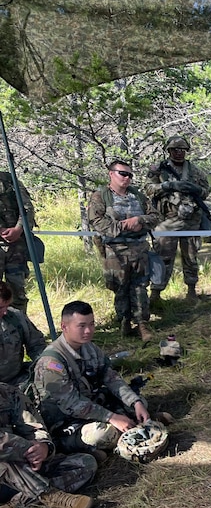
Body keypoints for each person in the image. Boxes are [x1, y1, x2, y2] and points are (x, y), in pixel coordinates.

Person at [29, 301, 152, 458]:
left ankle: (129, 428)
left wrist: (135, 402)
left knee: (140, 405)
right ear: (64, 327)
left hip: (91, 406)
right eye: (81, 326)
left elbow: (111, 378)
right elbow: (71, 404)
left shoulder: (89, 348)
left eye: (92, 324)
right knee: (103, 434)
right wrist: (111, 417)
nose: (88, 330)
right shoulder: (51, 363)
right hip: (64, 421)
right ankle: (68, 445)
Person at [0, 381, 97, 508]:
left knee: (85, 463)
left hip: (21, 474)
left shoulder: (8, 393)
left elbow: (33, 426)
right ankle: (50, 495)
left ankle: (12, 507)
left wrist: (43, 447)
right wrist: (27, 448)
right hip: (8, 468)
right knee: (5, 455)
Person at [88, 160, 160, 342]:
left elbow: (155, 216)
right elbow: (96, 221)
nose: (127, 178)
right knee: (119, 287)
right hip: (115, 249)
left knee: (140, 287)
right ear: (111, 174)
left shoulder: (138, 196)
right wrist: (122, 226)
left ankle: (142, 323)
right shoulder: (100, 196)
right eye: (123, 174)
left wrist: (140, 220)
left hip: (139, 248)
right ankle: (124, 322)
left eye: (130, 175)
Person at [145, 135, 211, 305]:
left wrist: (195, 189)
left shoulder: (195, 171)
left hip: (191, 221)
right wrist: (167, 186)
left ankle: (191, 291)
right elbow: (148, 189)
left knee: (191, 257)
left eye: (182, 150)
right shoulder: (159, 169)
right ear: (169, 151)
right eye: (175, 150)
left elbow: (205, 191)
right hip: (167, 220)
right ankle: (156, 294)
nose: (179, 153)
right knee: (163, 258)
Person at [0, 166, 36, 313]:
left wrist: (19, 228)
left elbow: (27, 207)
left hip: (16, 247)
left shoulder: (9, 180)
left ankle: (19, 329)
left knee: (17, 293)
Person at [0, 281, 46, 386]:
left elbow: (37, 345)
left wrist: (43, 366)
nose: (5, 312)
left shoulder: (16, 318)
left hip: (17, 380)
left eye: (7, 306)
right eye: (0, 308)